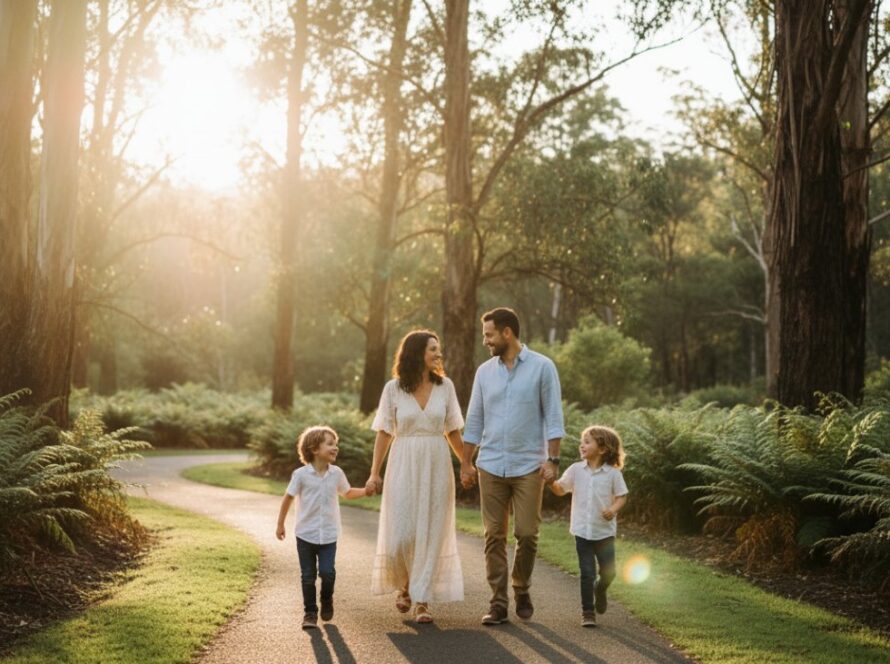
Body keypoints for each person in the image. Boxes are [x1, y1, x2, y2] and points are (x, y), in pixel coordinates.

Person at [461, 307, 565, 625]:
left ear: (507, 332)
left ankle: (521, 588)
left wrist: (553, 459)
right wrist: (466, 462)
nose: (486, 341)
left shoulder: (542, 368)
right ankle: (498, 602)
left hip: (528, 465)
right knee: (494, 535)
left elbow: (554, 417)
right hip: (491, 464)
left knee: (527, 533)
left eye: (489, 334)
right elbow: (474, 419)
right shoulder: (484, 372)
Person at [365, 329, 466, 624]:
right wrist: (374, 473)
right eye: (433, 348)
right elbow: (384, 432)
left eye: (439, 348)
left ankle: (421, 600)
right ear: (416, 352)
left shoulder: (445, 386)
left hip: (436, 462)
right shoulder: (393, 389)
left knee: (432, 532)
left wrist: (468, 464)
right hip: (403, 462)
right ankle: (405, 584)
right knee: (403, 534)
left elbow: (453, 431)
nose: (439, 353)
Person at [275, 425, 367, 630]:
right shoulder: (300, 475)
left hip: (329, 534)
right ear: (314, 448)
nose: (336, 448)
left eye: (336, 444)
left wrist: (366, 492)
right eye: (330, 444)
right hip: (305, 534)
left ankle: (326, 599)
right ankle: (309, 613)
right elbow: (288, 498)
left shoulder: (337, 473)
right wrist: (280, 523)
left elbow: (348, 492)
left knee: (327, 573)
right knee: (307, 576)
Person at [548, 425, 628, 627]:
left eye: (587, 441)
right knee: (587, 573)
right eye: (582, 441)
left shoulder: (613, 474)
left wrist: (613, 509)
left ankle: (600, 590)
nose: (581, 445)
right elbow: (560, 489)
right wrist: (550, 482)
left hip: (604, 533)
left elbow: (622, 497)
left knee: (609, 573)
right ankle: (587, 612)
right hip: (582, 531)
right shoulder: (576, 469)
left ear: (602, 449)